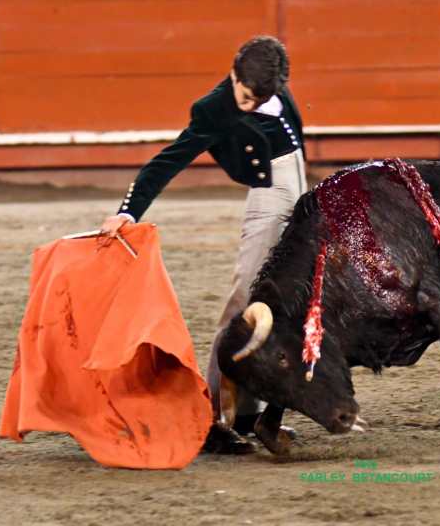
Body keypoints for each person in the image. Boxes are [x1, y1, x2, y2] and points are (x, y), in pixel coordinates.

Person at [100, 35, 307, 454]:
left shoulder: (269, 79)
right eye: (245, 96)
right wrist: (129, 210)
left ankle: (248, 414)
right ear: (233, 73)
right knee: (246, 300)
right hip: (268, 198)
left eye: (258, 98)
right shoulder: (213, 109)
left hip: (297, 188)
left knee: (281, 302)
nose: (248, 105)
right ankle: (208, 416)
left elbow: (293, 139)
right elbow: (168, 160)